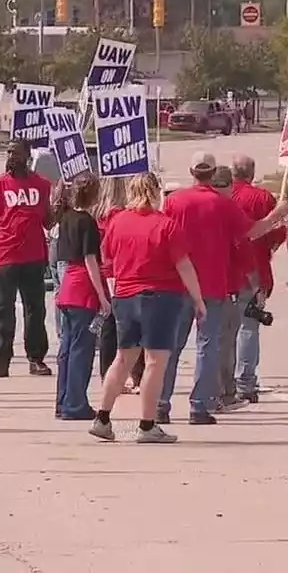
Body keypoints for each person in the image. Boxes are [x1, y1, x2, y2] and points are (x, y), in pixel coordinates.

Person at [158, 152, 288, 426]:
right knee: (208, 346)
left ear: (192, 171)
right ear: (214, 172)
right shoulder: (223, 204)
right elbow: (251, 232)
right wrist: (277, 215)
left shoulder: (173, 201)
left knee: (171, 346)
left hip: (179, 283)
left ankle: (161, 404)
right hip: (213, 285)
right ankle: (199, 405)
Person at [90, 173, 204, 444]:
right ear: (157, 192)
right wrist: (198, 299)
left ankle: (103, 417)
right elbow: (183, 265)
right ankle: (147, 424)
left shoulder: (118, 222)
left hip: (125, 295)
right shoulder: (166, 225)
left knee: (123, 358)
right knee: (155, 361)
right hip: (160, 297)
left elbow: (107, 255)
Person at [0, 139, 53, 378]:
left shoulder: (42, 185)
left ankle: (36, 358)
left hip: (34, 255)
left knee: (35, 309)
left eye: (16, 152)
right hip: (5, 254)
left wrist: (63, 205)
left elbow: (48, 221)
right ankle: (1, 360)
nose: (11, 156)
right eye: (9, 151)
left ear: (27, 155)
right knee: (3, 309)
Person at [228, 155, 284, 403]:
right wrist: (270, 247)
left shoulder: (224, 196)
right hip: (254, 271)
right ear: (252, 173)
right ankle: (246, 381)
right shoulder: (262, 198)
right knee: (248, 327)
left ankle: (225, 380)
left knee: (223, 330)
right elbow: (278, 231)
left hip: (223, 273)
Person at [53, 172, 109, 421]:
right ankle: (75, 403)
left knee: (67, 347)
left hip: (68, 284)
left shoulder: (65, 218)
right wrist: (102, 296)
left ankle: (63, 400)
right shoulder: (87, 222)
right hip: (82, 286)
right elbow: (90, 259)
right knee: (81, 349)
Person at [210, 165, 259, 413]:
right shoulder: (228, 209)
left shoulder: (186, 204)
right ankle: (224, 393)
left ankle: (200, 397)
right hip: (225, 285)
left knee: (205, 344)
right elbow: (247, 238)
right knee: (225, 342)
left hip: (194, 285)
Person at [93, 177, 143, 392]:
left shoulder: (98, 216)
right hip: (123, 273)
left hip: (105, 273)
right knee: (132, 327)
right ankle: (136, 375)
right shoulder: (123, 217)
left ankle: (109, 374)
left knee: (109, 327)